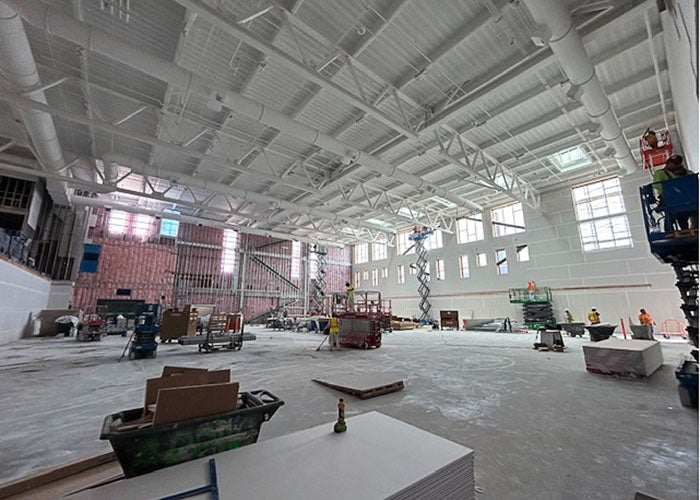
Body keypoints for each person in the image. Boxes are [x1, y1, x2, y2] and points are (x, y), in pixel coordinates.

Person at [652, 155, 692, 230]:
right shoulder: (660, 173)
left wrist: (684, 173)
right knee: (670, 218)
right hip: (668, 199)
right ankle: (669, 232)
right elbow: (657, 185)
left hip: (684, 199)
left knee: (683, 217)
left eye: (676, 164)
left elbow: (692, 181)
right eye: (671, 163)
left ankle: (685, 230)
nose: (672, 165)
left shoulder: (683, 173)